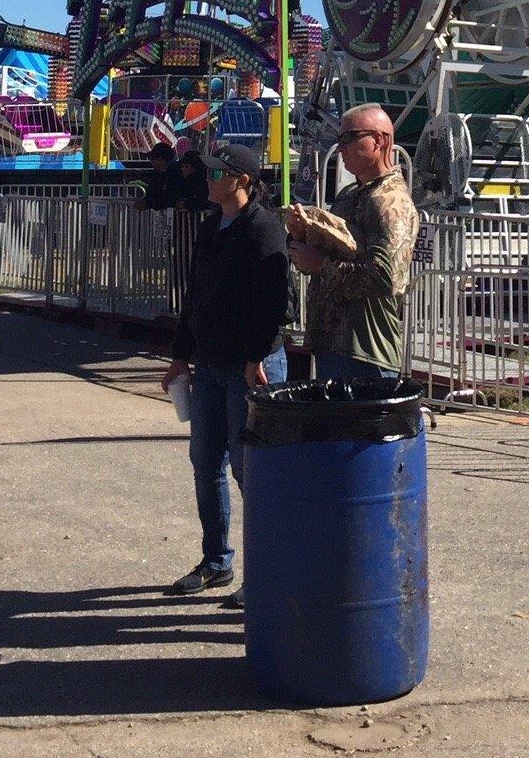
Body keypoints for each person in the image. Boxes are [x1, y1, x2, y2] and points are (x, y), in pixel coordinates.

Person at [160, 142, 289, 599]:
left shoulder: (263, 229)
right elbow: (194, 296)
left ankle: (268, 572)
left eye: (217, 173)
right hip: (210, 363)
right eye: (208, 172)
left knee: (247, 468)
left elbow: (276, 304)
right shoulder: (211, 225)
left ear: (242, 181)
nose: (208, 179)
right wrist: (180, 356)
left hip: (250, 366)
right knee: (205, 462)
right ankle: (216, 562)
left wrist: (256, 357)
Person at [291, 105, 419, 383]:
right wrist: (304, 236)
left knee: (365, 425)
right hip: (334, 346)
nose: (340, 148)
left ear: (380, 141)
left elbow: (386, 279)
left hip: (365, 352)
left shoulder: (389, 201)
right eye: (339, 140)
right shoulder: (350, 195)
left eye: (349, 138)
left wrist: (321, 265)